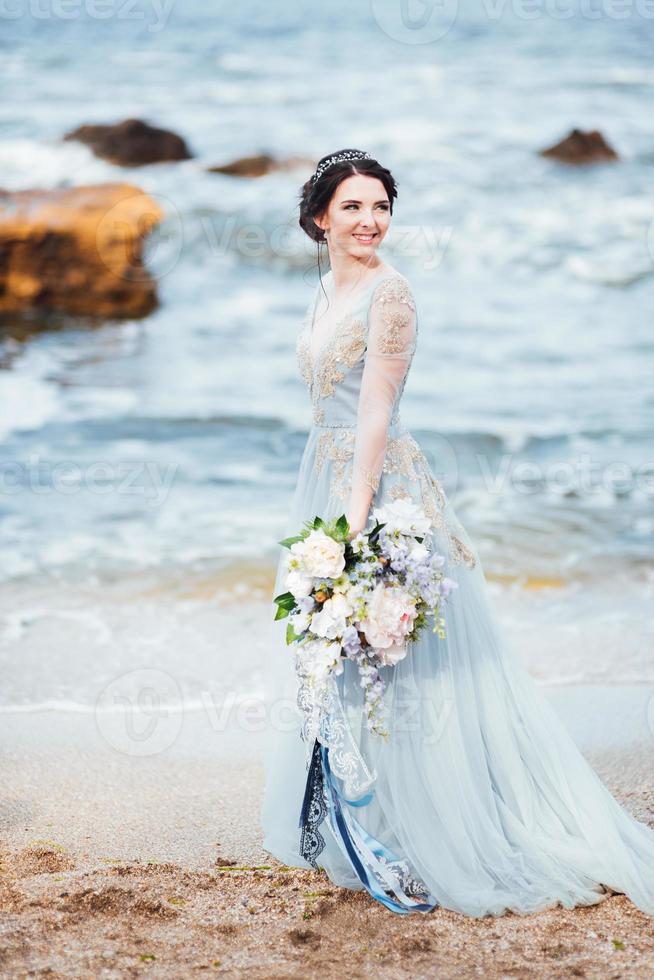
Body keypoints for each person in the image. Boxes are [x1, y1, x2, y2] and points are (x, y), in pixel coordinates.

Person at [260, 148, 654, 916]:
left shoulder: (392, 295)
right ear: (319, 219)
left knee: (398, 655)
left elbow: (376, 410)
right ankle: (368, 820)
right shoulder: (324, 289)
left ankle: (437, 828)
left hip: (376, 487)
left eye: (380, 206)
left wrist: (357, 518)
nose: (370, 221)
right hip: (323, 475)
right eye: (353, 207)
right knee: (339, 655)